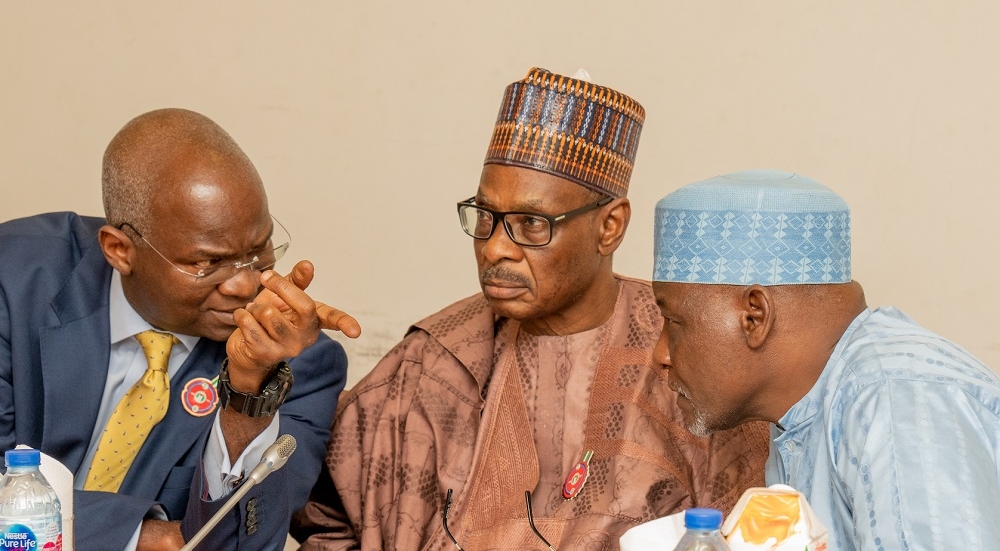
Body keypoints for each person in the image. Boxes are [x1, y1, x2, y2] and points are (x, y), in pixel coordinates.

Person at [292, 68, 768, 550]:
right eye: (486, 217)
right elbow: (322, 514)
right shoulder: (432, 359)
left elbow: (760, 522)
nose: (496, 247)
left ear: (609, 227)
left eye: (531, 223)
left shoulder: (686, 353)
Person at [0, 108, 360, 550]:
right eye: (208, 262)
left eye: (259, 249)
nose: (245, 284)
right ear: (119, 250)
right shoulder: (14, 283)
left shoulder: (297, 363)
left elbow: (242, 544)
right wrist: (136, 536)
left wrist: (248, 389)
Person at [649, 169, 1000, 550]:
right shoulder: (804, 418)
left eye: (673, 321)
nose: (660, 354)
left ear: (754, 316)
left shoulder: (894, 399)